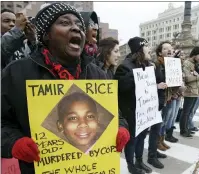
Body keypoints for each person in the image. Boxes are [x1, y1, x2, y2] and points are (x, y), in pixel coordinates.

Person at [1, 3, 129, 173]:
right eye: (65, 23)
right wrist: (14, 143)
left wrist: (121, 128)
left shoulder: (97, 74)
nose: (76, 29)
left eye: (79, 25)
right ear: (46, 35)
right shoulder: (17, 72)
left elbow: (115, 114)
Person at [115, 37, 154, 174]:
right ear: (140, 49)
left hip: (145, 110)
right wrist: (137, 75)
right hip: (131, 111)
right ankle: (131, 166)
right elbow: (121, 87)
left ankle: (139, 161)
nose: (150, 49)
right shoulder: (124, 66)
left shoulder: (148, 65)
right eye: (147, 46)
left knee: (143, 136)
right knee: (133, 139)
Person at [180, 46, 199, 137]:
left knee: (189, 111)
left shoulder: (194, 63)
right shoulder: (187, 63)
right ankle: (183, 130)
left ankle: (187, 128)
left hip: (195, 90)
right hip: (189, 91)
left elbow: (197, 75)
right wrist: (197, 76)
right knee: (186, 112)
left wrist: (197, 75)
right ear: (195, 54)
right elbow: (187, 78)